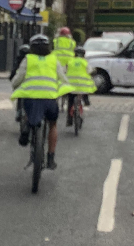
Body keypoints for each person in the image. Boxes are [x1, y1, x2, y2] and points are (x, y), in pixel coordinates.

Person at [11, 33, 70, 170]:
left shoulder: (28, 59)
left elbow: (18, 78)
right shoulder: (54, 60)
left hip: (31, 98)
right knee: (53, 124)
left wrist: (15, 86)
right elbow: (63, 79)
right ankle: (51, 158)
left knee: (27, 107)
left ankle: (26, 128)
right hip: (49, 99)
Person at [65, 45, 96, 125]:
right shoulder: (84, 62)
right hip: (82, 87)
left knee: (70, 101)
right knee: (86, 87)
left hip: (71, 87)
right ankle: (86, 100)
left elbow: (65, 71)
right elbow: (90, 71)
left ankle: (69, 119)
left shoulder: (70, 61)